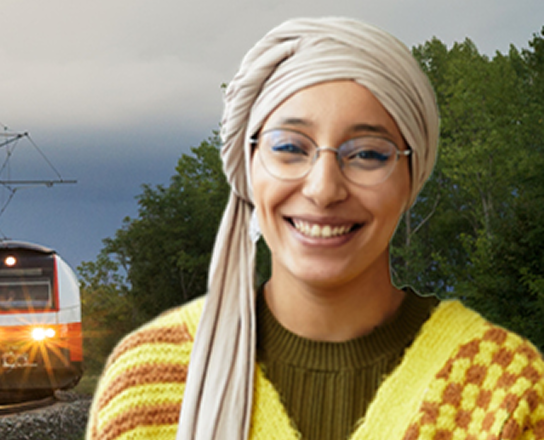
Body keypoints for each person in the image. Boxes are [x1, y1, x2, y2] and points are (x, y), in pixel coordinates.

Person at [87, 17, 544, 440]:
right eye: (289, 147)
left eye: (367, 153)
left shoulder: (509, 392)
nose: (324, 189)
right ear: (248, 167)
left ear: (413, 176)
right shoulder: (147, 383)